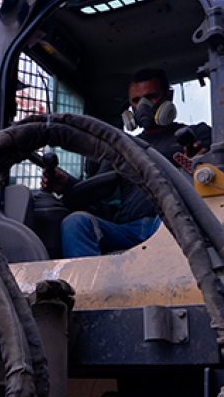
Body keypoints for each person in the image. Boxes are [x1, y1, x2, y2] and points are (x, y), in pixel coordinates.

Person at [42, 69, 210, 258]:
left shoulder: (196, 134)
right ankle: (90, 287)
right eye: (136, 101)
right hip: (128, 228)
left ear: (168, 97)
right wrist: (66, 184)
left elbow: (214, 175)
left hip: (172, 222)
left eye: (151, 97)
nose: (143, 106)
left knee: (175, 219)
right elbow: (97, 188)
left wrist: (196, 162)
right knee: (75, 223)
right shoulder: (122, 146)